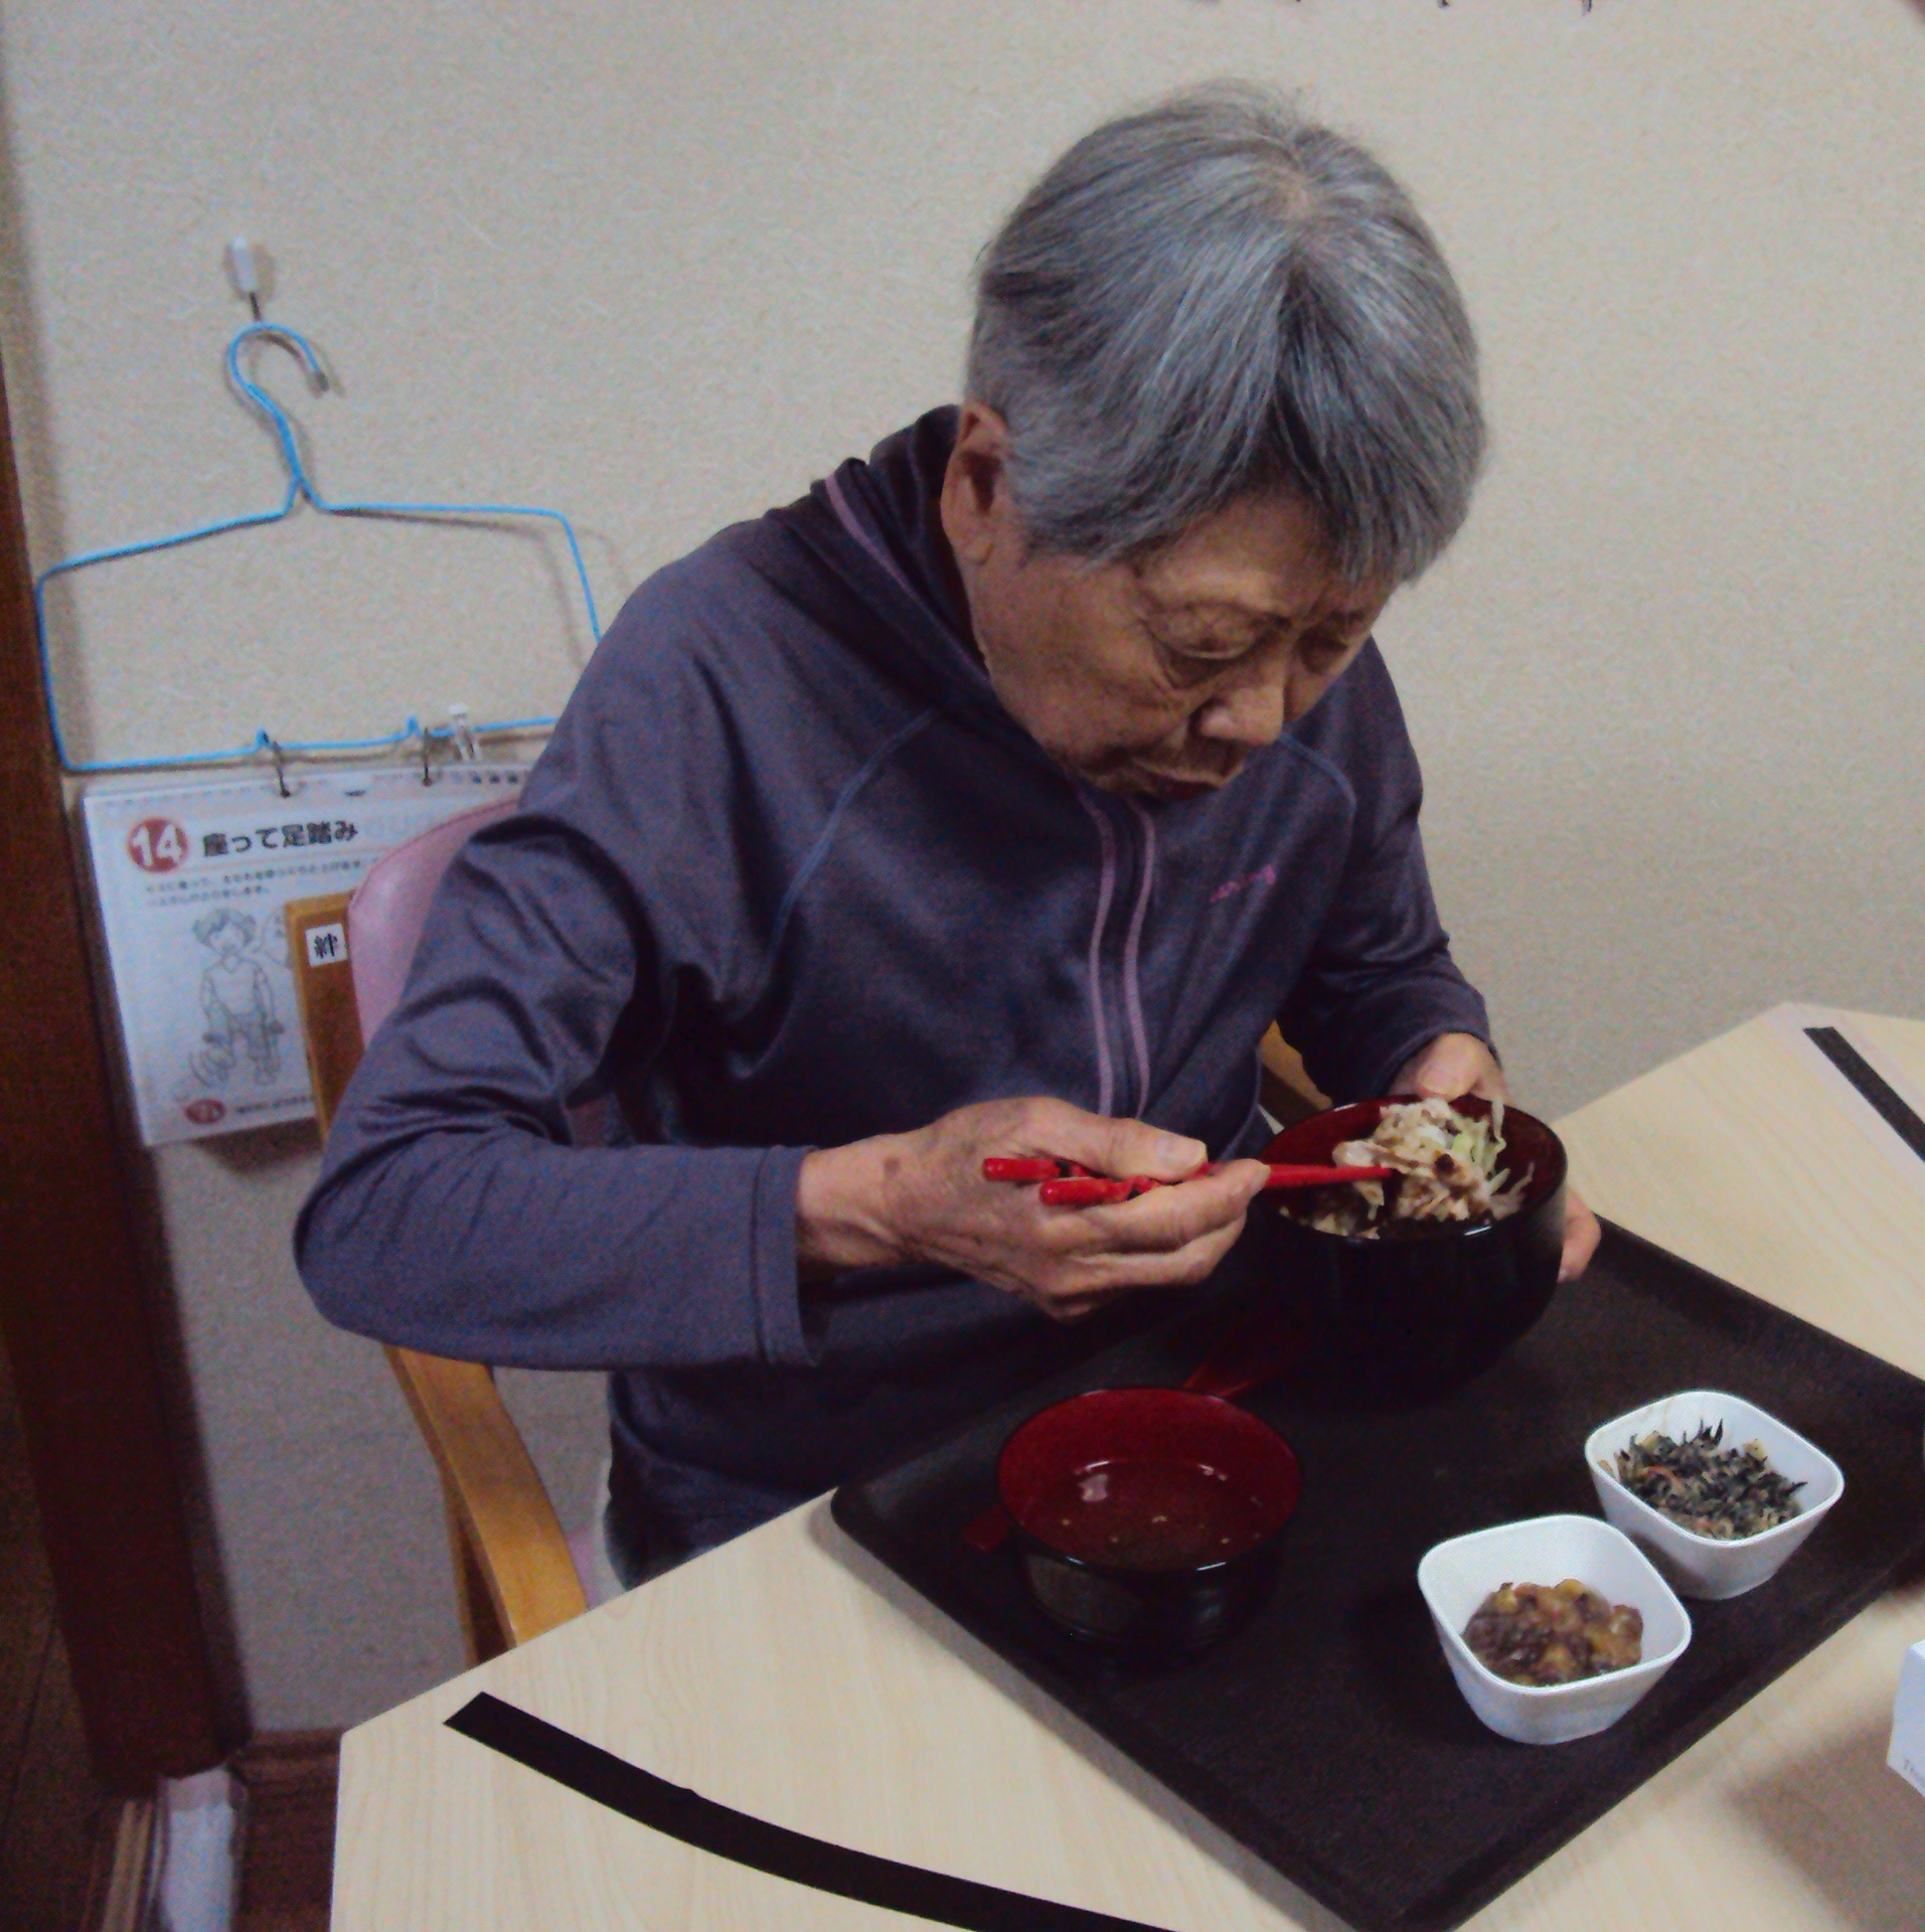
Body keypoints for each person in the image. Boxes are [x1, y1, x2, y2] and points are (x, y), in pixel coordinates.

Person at [296, 82, 1598, 1586]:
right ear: (986, 488)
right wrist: (888, 1208)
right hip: (822, 1491)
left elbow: (1376, 966)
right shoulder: (715, 684)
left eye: (1332, 638)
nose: (1259, 717)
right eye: (1197, 646)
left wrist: (1436, 1071)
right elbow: (391, 1209)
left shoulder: (1282, 634)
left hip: (1208, 1398)